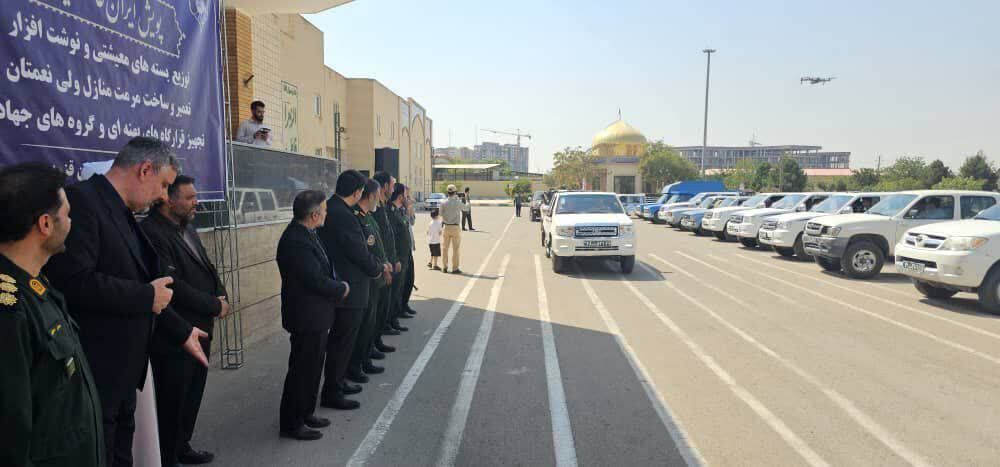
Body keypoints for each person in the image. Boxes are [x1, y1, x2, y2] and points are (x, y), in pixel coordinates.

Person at [44, 137, 209, 467]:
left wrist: (181, 330)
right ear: (145, 170)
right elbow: (75, 282)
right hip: (98, 368)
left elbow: (144, 282)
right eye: (164, 185)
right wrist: (146, 296)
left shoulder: (124, 211)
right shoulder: (84, 202)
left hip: (126, 371)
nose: (163, 196)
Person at [0, 163, 104, 467]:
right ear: (45, 224)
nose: (71, 223)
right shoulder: (10, 311)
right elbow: (10, 438)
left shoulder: (36, 283)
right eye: (67, 214)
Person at [141, 175, 230, 466]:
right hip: (176, 332)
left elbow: (207, 266)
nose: (197, 203)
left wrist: (221, 294)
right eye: (190, 197)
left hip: (202, 328)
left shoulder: (187, 228)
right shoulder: (151, 232)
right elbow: (173, 285)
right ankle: (168, 456)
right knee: (173, 399)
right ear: (168, 199)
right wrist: (213, 305)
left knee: (192, 395)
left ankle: (182, 446)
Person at [276, 190, 349, 441]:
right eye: (325, 210)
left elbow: (324, 269)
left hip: (317, 314)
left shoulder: (309, 233)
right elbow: (314, 279)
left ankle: (306, 412)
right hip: (306, 316)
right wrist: (340, 288)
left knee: (313, 367)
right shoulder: (296, 241)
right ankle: (292, 422)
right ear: (314, 215)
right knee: (302, 370)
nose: (327, 214)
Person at [317, 171, 388, 410]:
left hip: (344, 284)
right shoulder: (343, 214)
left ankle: (339, 382)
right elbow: (358, 252)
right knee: (342, 341)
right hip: (350, 287)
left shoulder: (335, 208)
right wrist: (377, 268)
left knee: (343, 340)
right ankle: (333, 391)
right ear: (357, 192)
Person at [346, 179, 393, 385]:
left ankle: (365, 358)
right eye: (377, 195)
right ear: (371, 195)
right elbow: (364, 252)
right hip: (368, 276)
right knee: (364, 324)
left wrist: (385, 264)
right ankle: (356, 365)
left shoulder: (368, 216)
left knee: (370, 322)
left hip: (376, 274)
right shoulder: (356, 217)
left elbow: (378, 245)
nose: (379, 199)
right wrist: (381, 267)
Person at [370, 172, 402, 341]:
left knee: (384, 304)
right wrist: (385, 265)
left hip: (388, 263)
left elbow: (388, 238)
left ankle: (377, 340)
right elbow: (377, 242)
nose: (393, 189)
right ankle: (374, 342)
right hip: (381, 266)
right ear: (384, 187)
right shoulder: (374, 210)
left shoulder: (382, 207)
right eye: (392, 185)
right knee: (377, 308)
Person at [387, 184, 413, 331]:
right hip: (397, 258)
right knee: (394, 293)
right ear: (400, 196)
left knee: (399, 289)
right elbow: (391, 238)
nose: (407, 197)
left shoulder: (397, 211)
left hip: (403, 256)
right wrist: (396, 258)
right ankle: (390, 322)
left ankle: (394, 319)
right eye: (405, 194)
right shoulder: (391, 212)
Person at [440, 185, 464, 274]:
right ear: (455, 192)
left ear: (448, 192)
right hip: (455, 227)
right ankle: (455, 268)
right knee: (455, 249)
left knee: (445, 248)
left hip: (446, 227)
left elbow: (440, 214)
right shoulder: (458, 202)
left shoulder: (443, 202)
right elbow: (466, 208)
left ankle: (444, 267)